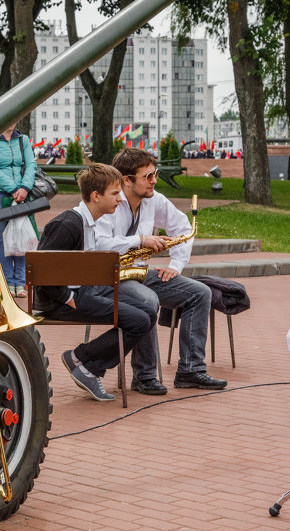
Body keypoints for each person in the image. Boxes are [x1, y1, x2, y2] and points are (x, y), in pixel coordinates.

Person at [95, 147, 227, 395]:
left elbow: (182, 226)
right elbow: (99, 243)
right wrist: (140, 240)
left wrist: (175, 266)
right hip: (112, 278)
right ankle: (144, 377)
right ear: (126, 180)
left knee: (200, 293)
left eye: (154, 174)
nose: (154, 180)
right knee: (148, 300)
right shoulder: (109, 201)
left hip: (141, 273)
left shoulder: (154, 199)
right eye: (147, 176)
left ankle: (190, 370)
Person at [35, 163, 156, 401]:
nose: (120, 199)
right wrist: (66, 298)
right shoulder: (68, 224)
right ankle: (84, 361)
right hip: (64, 300)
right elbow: (41, 270)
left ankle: (84, 362)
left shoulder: (89, 221)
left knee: (149, 313)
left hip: (88, 290)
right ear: (95, 196)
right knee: (139, 321)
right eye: (115, 193)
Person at [0, 122, 37, 297]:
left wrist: (24, 188)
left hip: (21, 193)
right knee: (3, 240)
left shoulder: (23, 140)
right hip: (0, 194)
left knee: (22, 236)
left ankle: (20, 283)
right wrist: (13, 189)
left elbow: (31, 165)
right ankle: (6, 281)